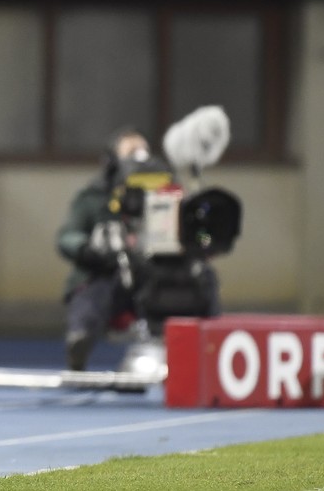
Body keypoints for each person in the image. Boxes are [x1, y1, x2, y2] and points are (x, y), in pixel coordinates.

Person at [56, 128, 220, 371]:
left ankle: (213, 345)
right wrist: (88, 248)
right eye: (131, 151)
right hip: (112, 270)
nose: (139, 157)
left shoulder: (168, 191)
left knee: (202, 278)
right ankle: (79, 342)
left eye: (143, 150)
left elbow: (198, 230)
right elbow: (67, 236)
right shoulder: (93, 196)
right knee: (94, 290)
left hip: (157, 271)